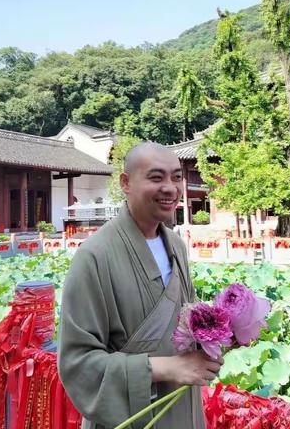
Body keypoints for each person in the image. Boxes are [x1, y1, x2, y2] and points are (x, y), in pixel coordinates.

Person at [58, 142, 221, 429]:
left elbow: (185, 324)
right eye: (156, 178)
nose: (170, 188)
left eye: (176, 177)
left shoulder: (177, 247)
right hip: (131, 416)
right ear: (125, 183)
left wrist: (222, 331)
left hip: (183, 409)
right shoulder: (94, 256)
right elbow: (78, 363)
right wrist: (167, 367)